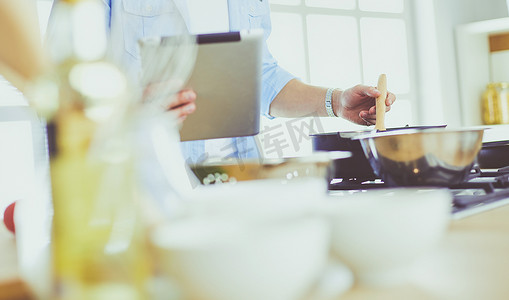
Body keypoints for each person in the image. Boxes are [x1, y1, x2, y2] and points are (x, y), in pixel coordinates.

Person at [101, 0, 396, 162]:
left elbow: (261, 78)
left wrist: (337, 102)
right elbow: (69, 87)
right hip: (146, 179)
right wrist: (135, 108)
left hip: (239, 175)